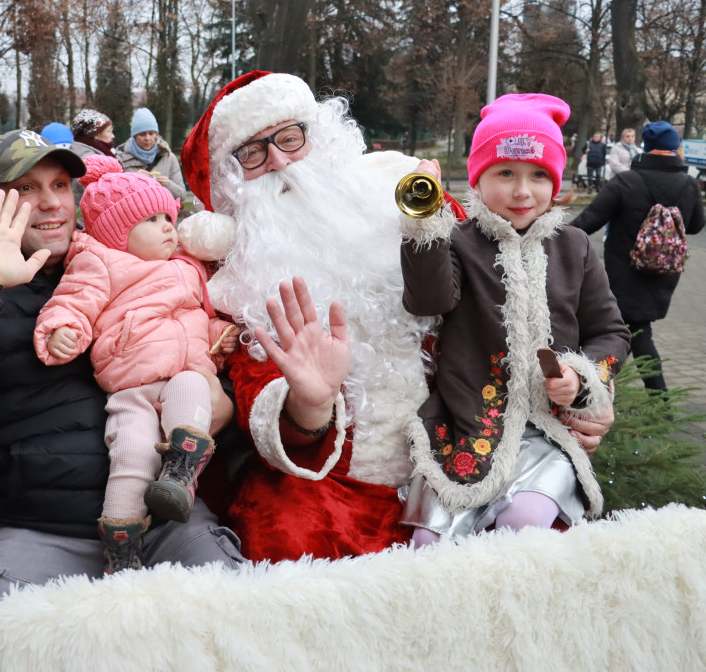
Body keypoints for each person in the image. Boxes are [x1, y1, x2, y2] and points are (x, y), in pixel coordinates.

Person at [177, 71, 616, 562]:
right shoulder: (232, 281)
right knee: (286, 541)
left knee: (534, 549)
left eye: (289, 138)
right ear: (232, 178)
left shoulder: (410, 198)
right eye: (253, 154)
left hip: (470, 443)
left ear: (320, 135)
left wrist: (584, 395)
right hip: (332, 483)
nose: (279, 161)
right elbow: (252, 394)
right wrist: (310, 405)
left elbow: (524, 308)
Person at [0, 129, 244, 606]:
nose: (52, 204)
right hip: (42, 533)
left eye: (60, 185)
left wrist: (219, 403)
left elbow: (188, 347)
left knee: (246, 625)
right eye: (24, 189)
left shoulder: (122, 263)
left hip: (165, 518)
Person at [396, 94, 630, 546]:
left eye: (538, 175)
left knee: (524, 520)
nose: (523, 192)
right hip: (467, 426)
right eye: (506, 173)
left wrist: (581, 380)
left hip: (549, 427)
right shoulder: (460, 241)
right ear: (478, 180)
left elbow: (611, 333)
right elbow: (428, 299)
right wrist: (426, 224)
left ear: (555, 182)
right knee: (429, 543)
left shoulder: (575, 246)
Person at [33, 155, 237, 572]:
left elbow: (201, 312)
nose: (168, 226)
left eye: (169, 216)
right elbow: (73, 300)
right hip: (130, 385)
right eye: (152, 220)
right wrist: (62, 329)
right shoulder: (100, 262)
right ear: (118, 233)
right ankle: (120, 540)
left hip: (184, 371)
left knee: (192, 387)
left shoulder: (185, 267)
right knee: (131, 453)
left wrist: (221, 333)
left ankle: (181, 472)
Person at [570, 121, 705, 392]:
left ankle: (657, 401)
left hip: (625, 271)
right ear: (674, 148)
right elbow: (695, 225)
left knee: (635, 332)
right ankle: (603, 389)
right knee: (630, 329)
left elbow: (590, 220)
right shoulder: (689, 184)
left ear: (646, 147)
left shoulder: (625, 181)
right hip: (666, 272)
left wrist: (551, 235)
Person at [115, 107, 186, 201]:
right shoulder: (120, 157)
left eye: (151, 133)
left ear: (156, 134)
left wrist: (168, 184)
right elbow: (114, 195)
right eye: (142, 134)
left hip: (161, 214)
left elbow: (182, 196)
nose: (147, 138)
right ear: (134, 136)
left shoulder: (169, 157)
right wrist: (133, 179)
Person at [69, 108, 115, 207]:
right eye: (109, 131)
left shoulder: (79, 150)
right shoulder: (91, 160)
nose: (113, 136)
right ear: (95, 134)